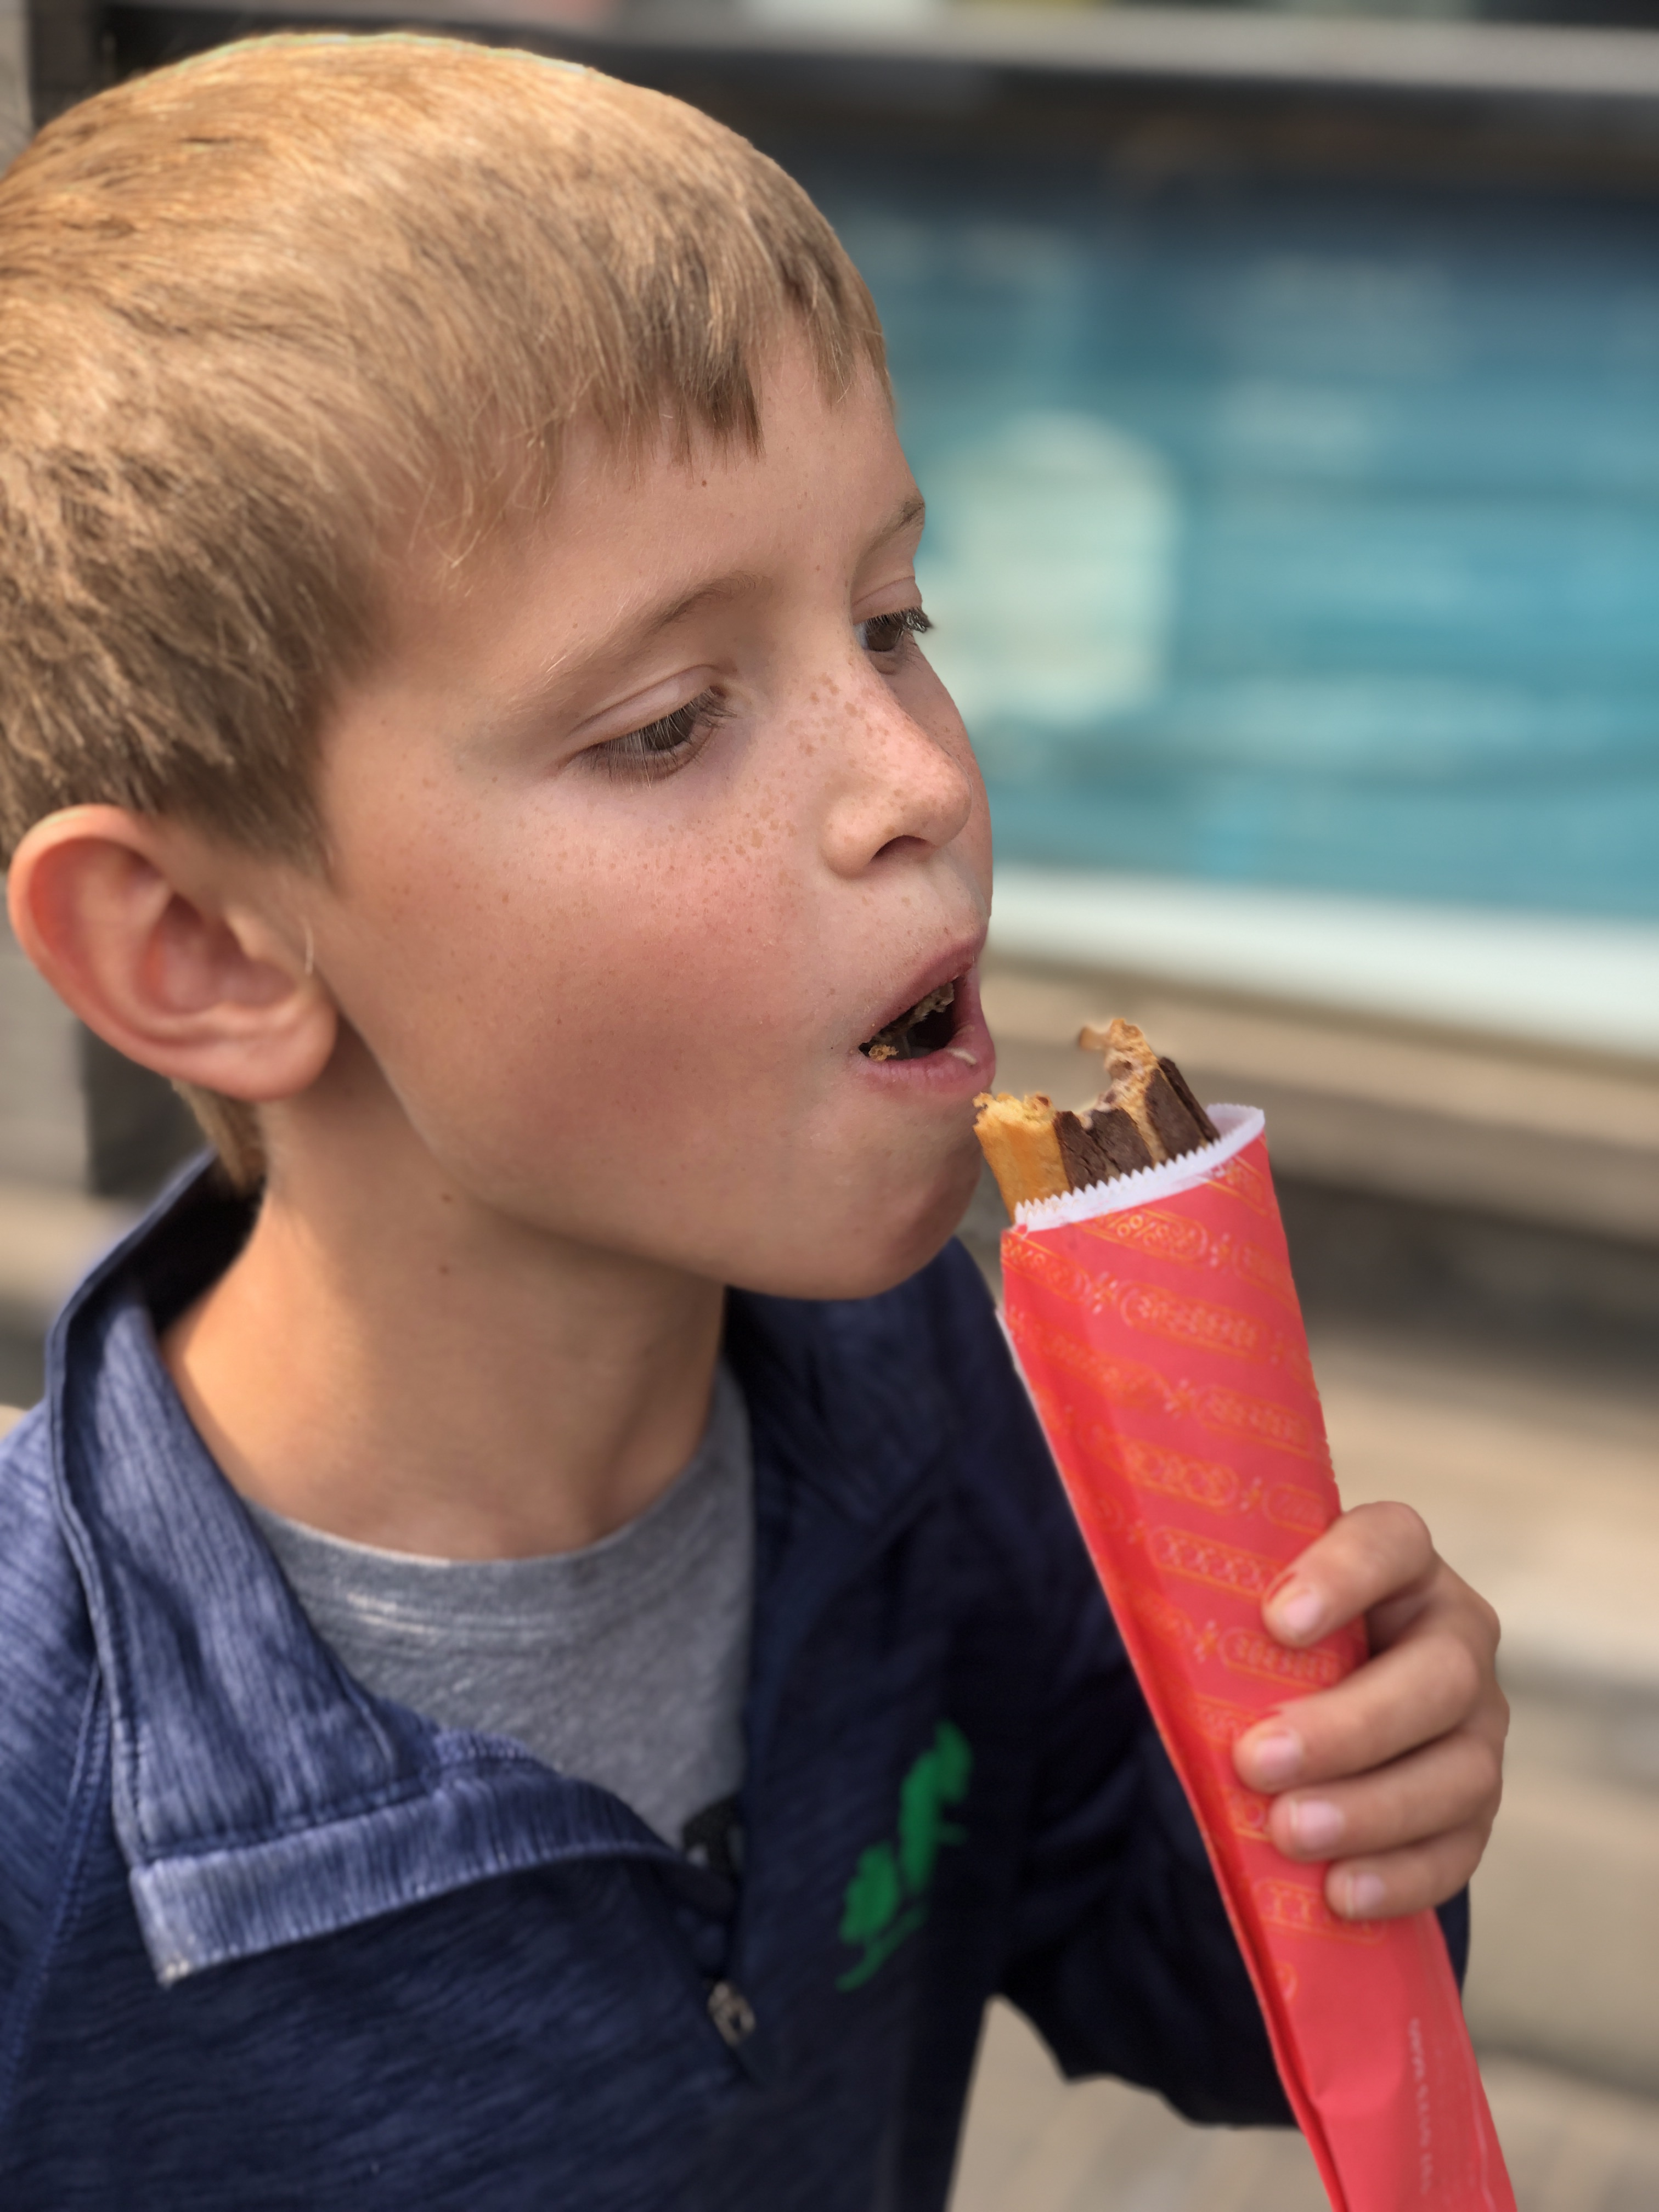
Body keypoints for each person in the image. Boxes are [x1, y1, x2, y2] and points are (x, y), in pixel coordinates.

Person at [0, 37, 1506, 2209]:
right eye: (666, 723)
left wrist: (1353, 1805)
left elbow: (1195, 2006)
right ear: (204, 947)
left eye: (896, 620)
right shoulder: (44, 1793)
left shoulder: (925, 1403)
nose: (918, 776)